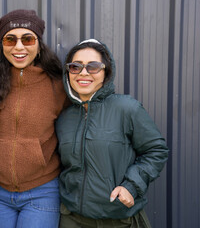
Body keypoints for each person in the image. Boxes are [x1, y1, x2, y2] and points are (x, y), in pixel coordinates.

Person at [56, 38, 169, 227]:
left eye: (93, 66)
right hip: (72, 218)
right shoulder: (63, 117)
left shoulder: (126, 108)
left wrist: (131, 186)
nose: (84, 73)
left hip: (118, 219)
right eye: (75, 66)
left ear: (106, 72)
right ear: (68, 72)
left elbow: (156, 150)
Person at [0, 9, 68, 228]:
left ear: (38, 44)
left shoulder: (58, 87)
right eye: (10, 39)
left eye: (27, 38)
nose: (19, 47)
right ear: (2, 45)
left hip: (42, 191)